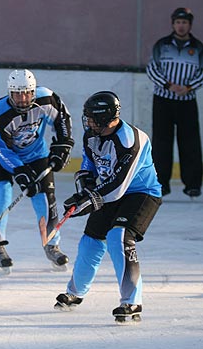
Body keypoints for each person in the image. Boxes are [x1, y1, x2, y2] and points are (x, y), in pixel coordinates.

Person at [54, 91, 162, 323]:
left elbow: (119, 186)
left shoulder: (131, 140)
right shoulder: (91, 135)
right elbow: (88, 164)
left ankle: (131, 300)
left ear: (105, 118)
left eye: (92, 118)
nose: (88, 122)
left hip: (141, 194)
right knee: (90, 240)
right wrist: (84, 187)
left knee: (119, 236)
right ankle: (75, 292)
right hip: (107, 193)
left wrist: (87, 201)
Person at [0, 69, 74, 273]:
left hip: (35, 154)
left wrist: (63, 145)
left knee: (44, 198)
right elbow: (0, 148)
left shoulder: (47, 99)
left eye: (27, 93)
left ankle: (52, 244)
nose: (22, 99)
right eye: (17, 94)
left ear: (33, 91)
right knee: (1, 192)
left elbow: (63, 121)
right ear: (9, 93)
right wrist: (20, 172)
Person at [146, 7, 203, 197]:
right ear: (173, 24)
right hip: (163, 100)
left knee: (190, 143)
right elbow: (152, 68)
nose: (181, 26)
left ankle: (193, 184)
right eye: (178, 22)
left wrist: (188, 87)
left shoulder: (198, 47)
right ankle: (161, 184)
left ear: (189, 25)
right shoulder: (162, 45)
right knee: (162, 142)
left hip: (187, 101)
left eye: (184, 22)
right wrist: (167, 85)